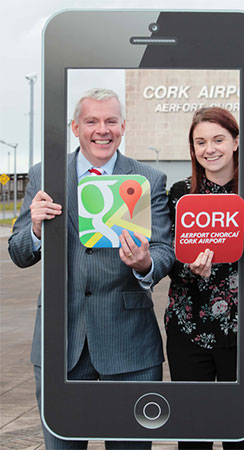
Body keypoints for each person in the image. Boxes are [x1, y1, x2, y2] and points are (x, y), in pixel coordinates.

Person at [8, 88, 175, 450]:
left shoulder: (147, 179)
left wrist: (145, 263)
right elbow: (18, 252)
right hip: (61, 343)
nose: (103, 130)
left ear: (123, 126)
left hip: (129, 345)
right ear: (75, 127)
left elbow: (165, 250)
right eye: (92, 121)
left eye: (111, 121)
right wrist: (35, 229)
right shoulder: (45, 176)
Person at [165, 107, 244, 449]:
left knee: (238, 433)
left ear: (235, 142)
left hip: (240, 331)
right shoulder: (180, 194)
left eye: (218, 139)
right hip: (188, 331)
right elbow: (168, 260)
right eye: (200, 142)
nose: (209, 149)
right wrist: (189, 268)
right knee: (192, 436)